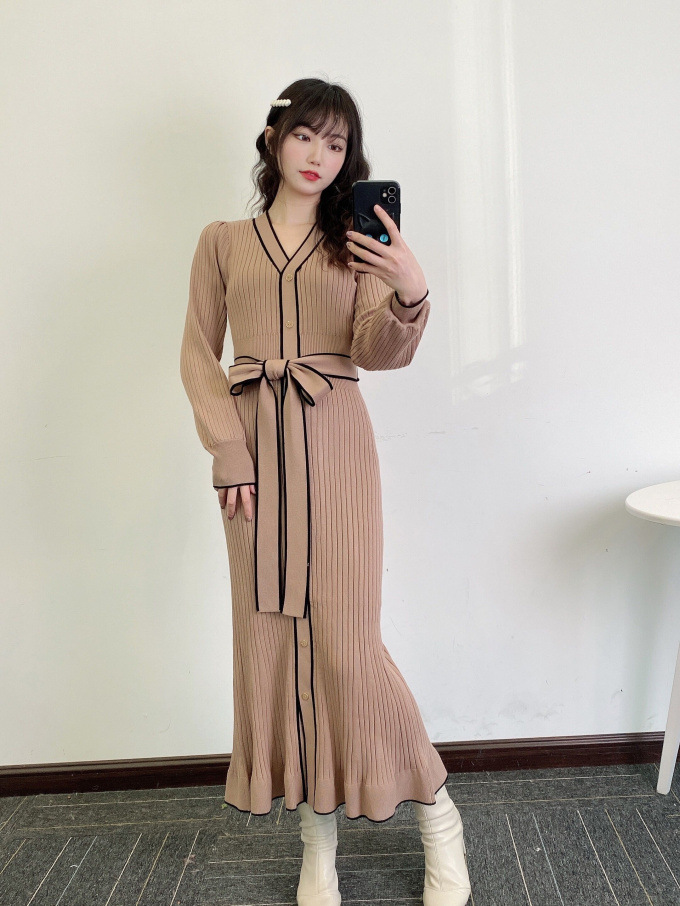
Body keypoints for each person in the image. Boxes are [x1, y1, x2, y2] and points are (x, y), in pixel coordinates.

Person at [180, 77, 471, 906]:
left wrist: (409, 286)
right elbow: (197, 352)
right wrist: (227, 450)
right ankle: (318, 841)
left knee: (347, 645)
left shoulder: (357, 243)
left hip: (337, 449)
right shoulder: (222, 242)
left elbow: (379, 350)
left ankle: (438, 817)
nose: (319, 155)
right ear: (274, 139)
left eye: (337, 143)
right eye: (306, 135)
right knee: (271, 643)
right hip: (253, 465)